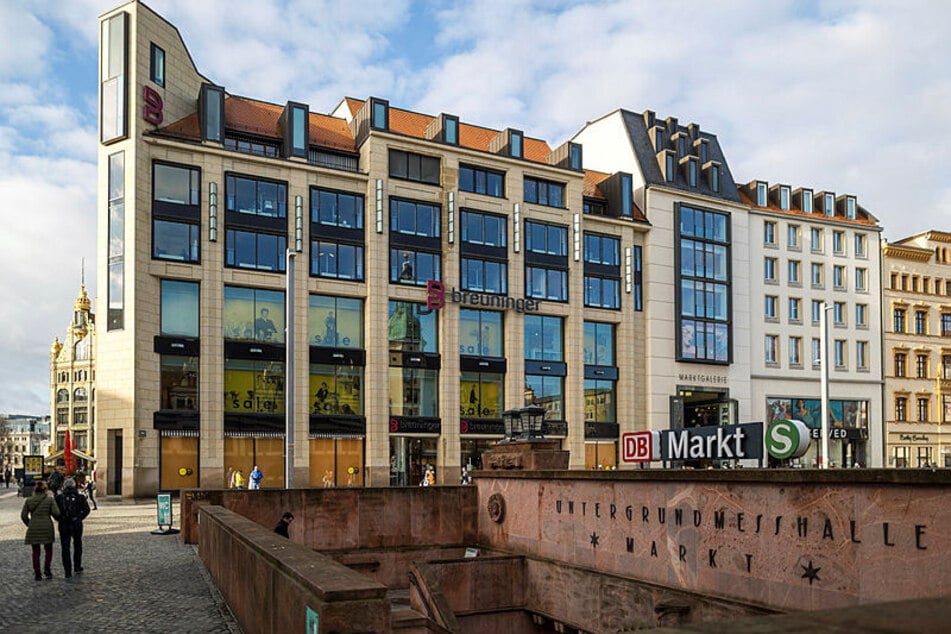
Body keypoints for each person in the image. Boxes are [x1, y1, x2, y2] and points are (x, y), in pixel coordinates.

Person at [21, 480, 60, 580]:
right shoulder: (49, 500)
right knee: (48, 550)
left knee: (36, 551)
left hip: (34, 526)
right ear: (45, 490)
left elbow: (23, 515)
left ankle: (37, 572)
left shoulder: (29, 500)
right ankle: (47, 569)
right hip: (47, 526)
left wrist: (29, 524)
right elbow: (56, 513)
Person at [55, 477, 91, 578]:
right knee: (77, 544)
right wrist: (79, 518)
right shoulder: (80, 497)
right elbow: (87, 510)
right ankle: (77, 566)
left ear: (64, 486)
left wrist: (59, 519)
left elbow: (54, 511)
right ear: (74, 486)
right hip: (76, 524)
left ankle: (67, 571)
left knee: (65, 547)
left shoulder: (59, 498)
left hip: (64, 524)